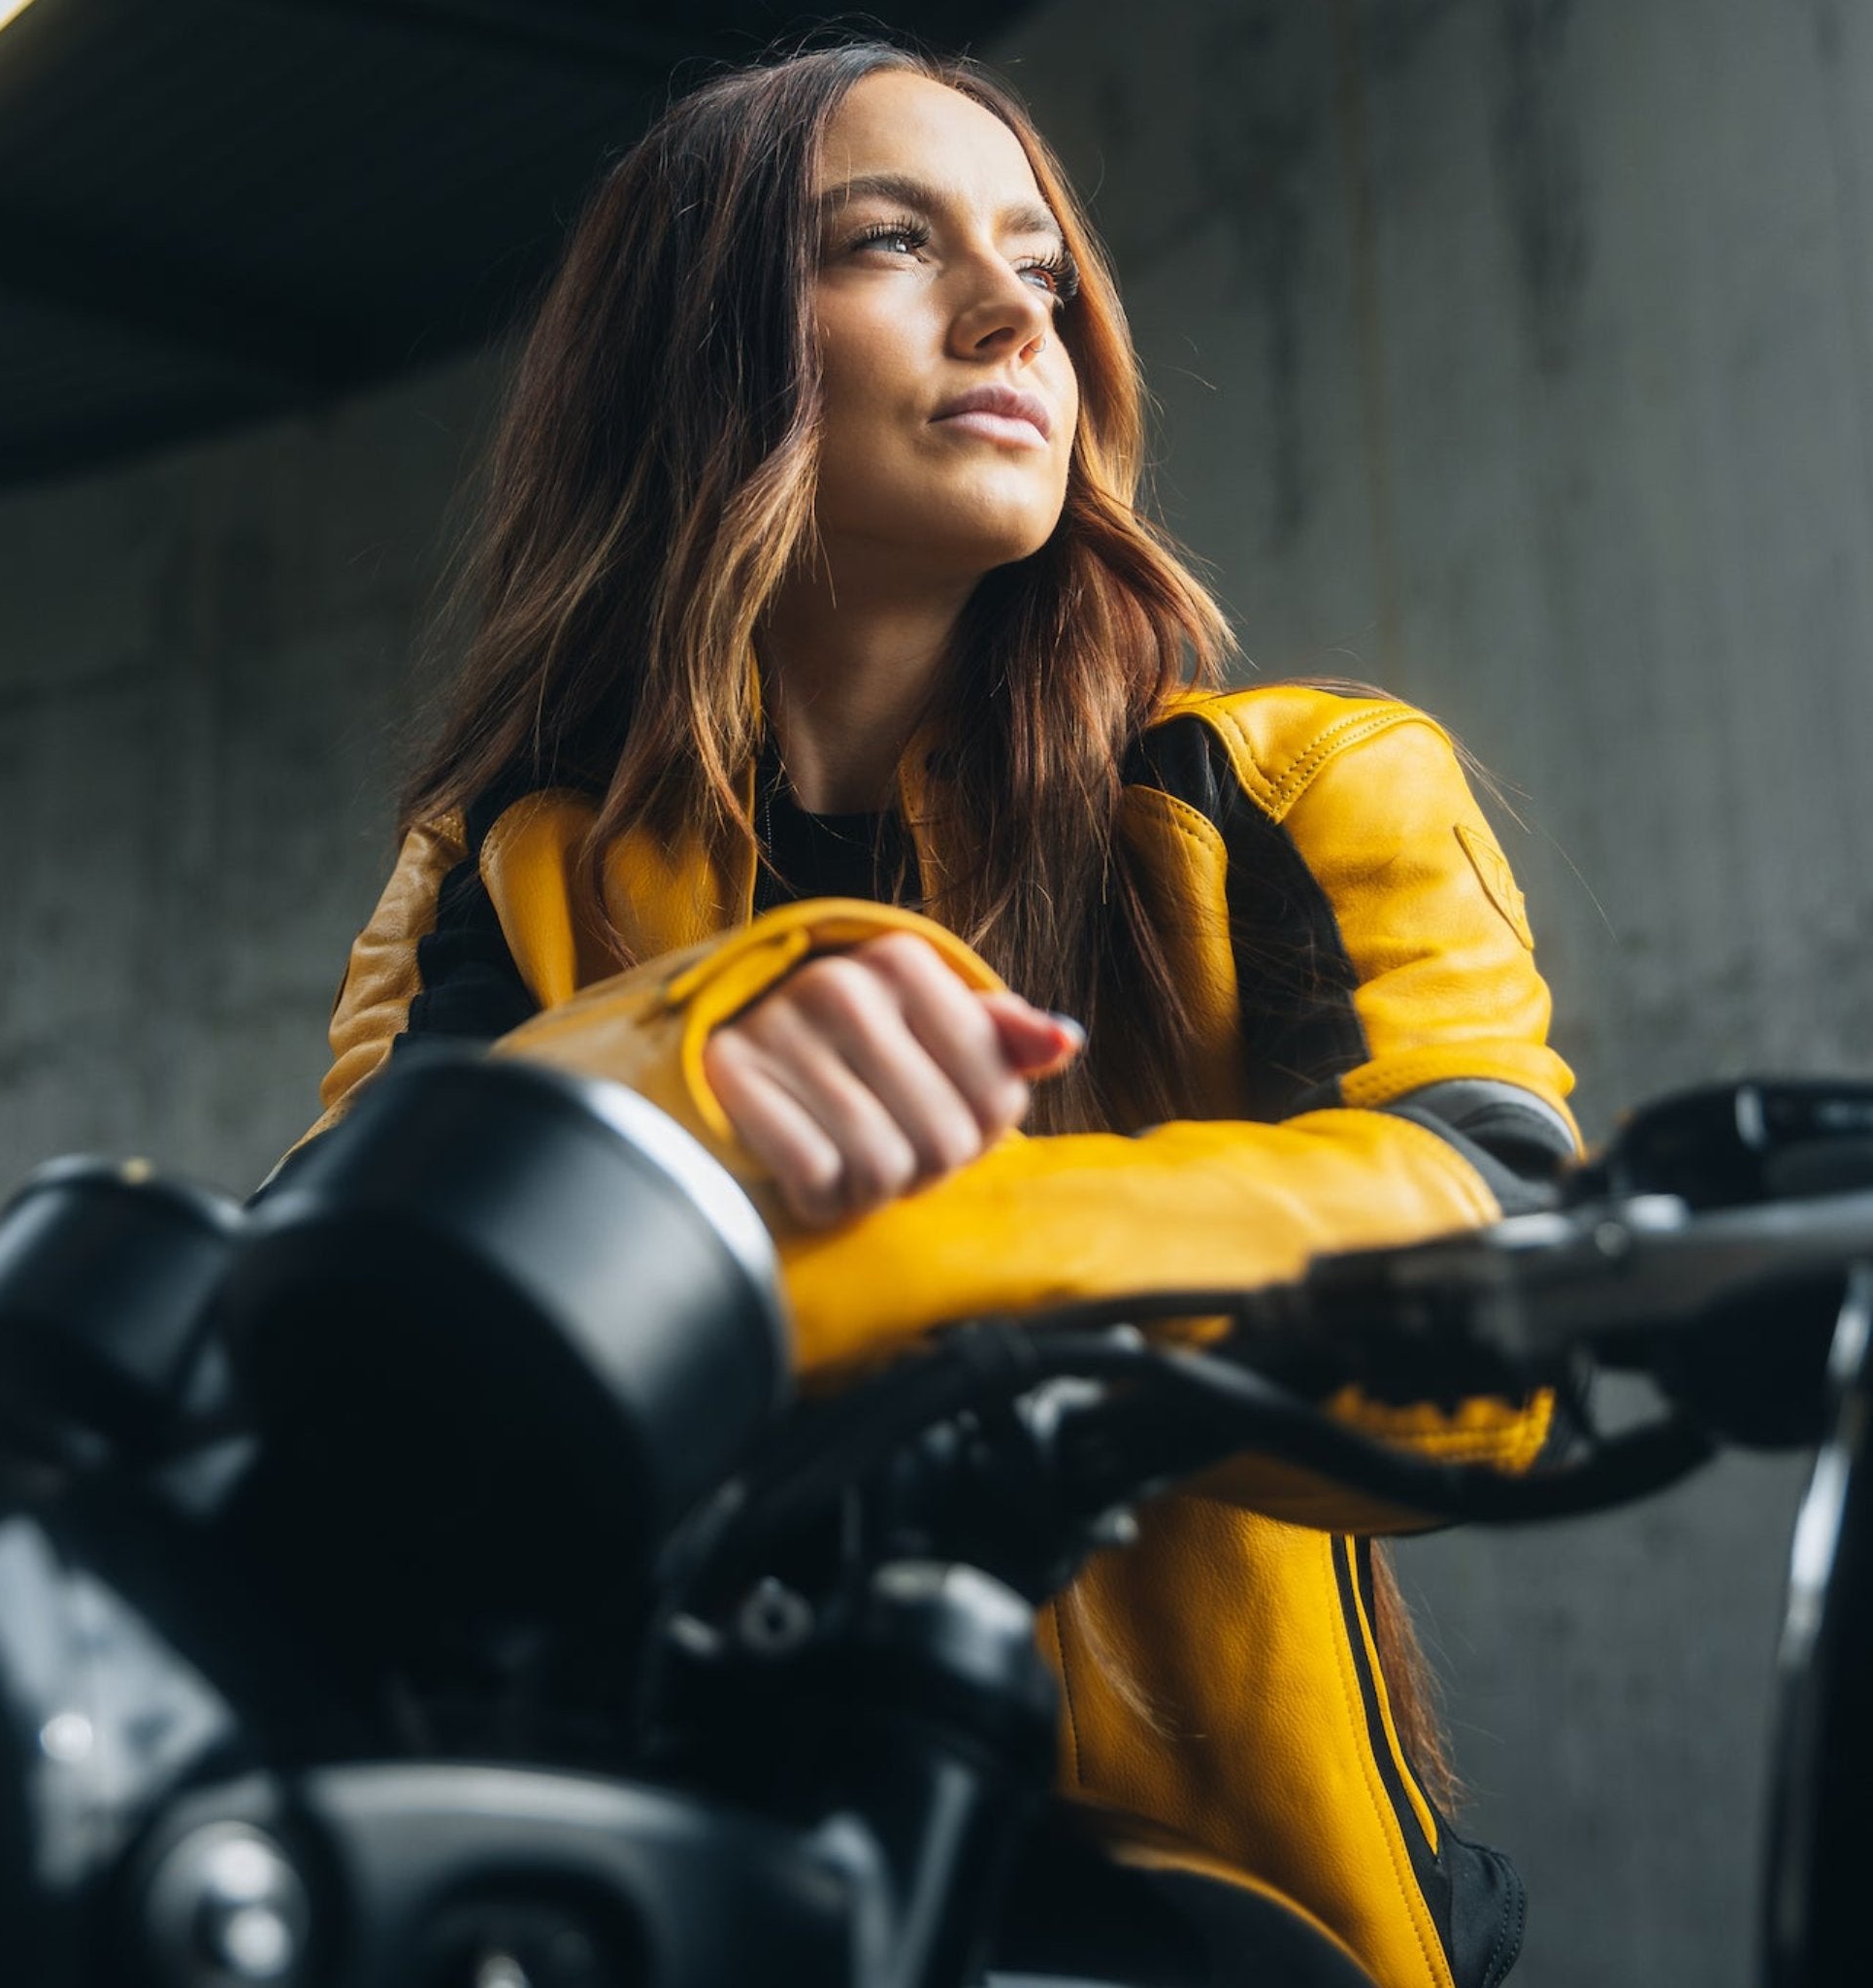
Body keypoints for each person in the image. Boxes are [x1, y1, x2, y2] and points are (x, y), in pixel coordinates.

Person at [299, 38, 1576, 1988]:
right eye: (889, 242)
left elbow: (1501, 1305)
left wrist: (895, 1260)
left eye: (1042, 268)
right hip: (646, 1890)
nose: (1009, 312)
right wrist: (679, 1060)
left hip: (1245, 1929)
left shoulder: (1312, 786)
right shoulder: (503, 873)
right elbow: (328, 1340)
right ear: (694, 346)